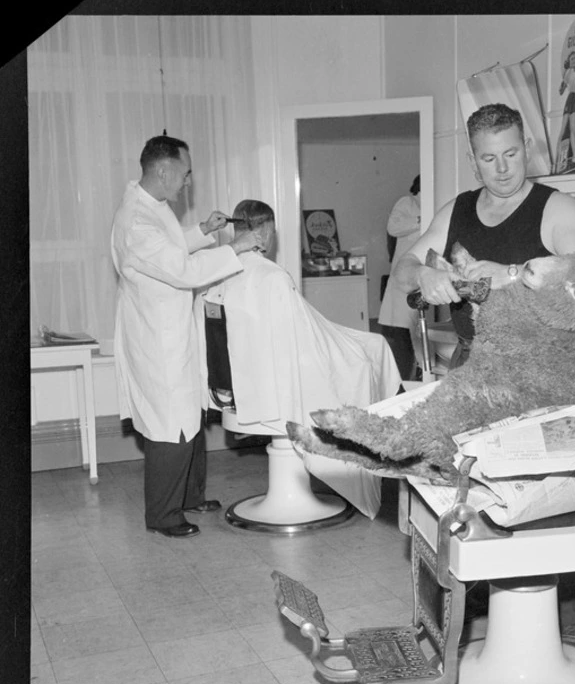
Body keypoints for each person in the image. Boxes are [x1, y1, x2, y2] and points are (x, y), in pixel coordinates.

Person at [392, 102, 575, 646]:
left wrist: (513, 274)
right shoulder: (455, 210)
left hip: (542, 363)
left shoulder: (557, 209)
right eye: (489, 159)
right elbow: (405, 267)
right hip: (474, 359)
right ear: (473, 158)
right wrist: (425, 277)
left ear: (525, 148)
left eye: (512, 154)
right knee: (463, 487)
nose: (504, 168)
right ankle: (473, 605)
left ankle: (572, 618)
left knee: (549, 490)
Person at [199, 199, 401, 518]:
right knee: (363, 359)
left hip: (234, 383)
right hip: (274, 382)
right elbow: (303, 339)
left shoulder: (216, 273)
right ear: (265, 232)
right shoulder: (272, 276)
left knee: (364, 348)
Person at [111, 135, 262, 539]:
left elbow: (172, 244)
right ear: (163, 171)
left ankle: (190, 495)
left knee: (189, 414)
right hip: (156, 335)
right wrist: (239, 247)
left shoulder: (152, 207)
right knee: (169, 425)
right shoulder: (136, 221)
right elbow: (181, 269)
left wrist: (202, 230)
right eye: (185, 173)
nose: (188, 181)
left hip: (174, 325)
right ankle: (162, 514)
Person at [379, 175, 422, 379]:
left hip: (423, 276)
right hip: (404, 276)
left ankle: (417, 376)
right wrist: (422, 219)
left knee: (419, 331)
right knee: (403, 330)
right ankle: (404, 378)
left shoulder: (438, 204)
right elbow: (393, 228)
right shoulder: (408, 202)